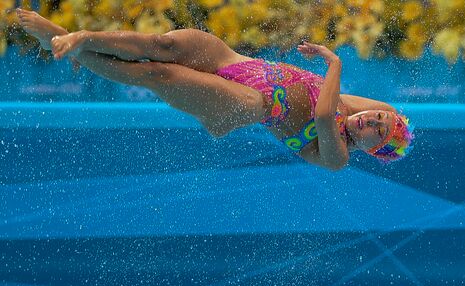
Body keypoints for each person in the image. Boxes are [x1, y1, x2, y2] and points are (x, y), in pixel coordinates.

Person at [16, 8, 414, 171]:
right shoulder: (370, 111)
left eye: (376, 131)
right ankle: (80, 36)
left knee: (157, 74)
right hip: (238, 63)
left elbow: (325, 116)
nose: (371, 121)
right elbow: (388, 115)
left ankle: (69, 41)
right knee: (165, 46)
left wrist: (335, 62)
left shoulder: (338, 155)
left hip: (246, 104)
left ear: (370, 149)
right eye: (379, 117)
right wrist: (391, 120)